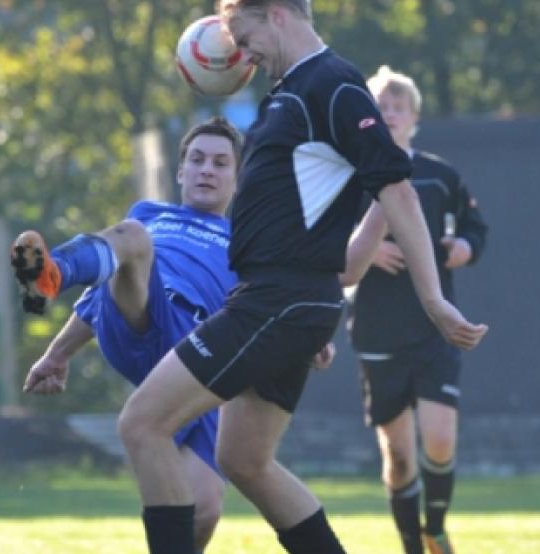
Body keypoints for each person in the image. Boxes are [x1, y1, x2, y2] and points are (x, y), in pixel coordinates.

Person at [114, 2, 489, 552]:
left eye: (244, 36)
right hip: (285, 304)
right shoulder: (291, 92)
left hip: (277, 301)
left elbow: (397, 188)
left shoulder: (332, 84)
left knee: (142, 423)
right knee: (243, 460)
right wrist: (308, 318)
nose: (242, 54)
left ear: (277, 15)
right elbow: (335, 233)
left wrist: (432, 299)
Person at [10, 117, 243, 552]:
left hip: (202, 359)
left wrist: (309, 340)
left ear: (236, 177)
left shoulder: (246, 239)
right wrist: (58, 353)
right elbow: (99, 298)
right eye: (196, 160)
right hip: (145, 318)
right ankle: (52, 273)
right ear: (180, 172)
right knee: (131, 238)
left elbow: (273, 297)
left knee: (204, 508)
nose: (206, 169)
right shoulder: (150, 215)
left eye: (219, 162)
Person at [344, 66, 489, 554]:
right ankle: (411, 544)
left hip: (433, 329)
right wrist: (367, 251)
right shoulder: (350, 173)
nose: (389, 113)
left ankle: (437, 528)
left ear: (414, 118)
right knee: (400, 456)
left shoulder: (440, 175)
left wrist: (462, 247)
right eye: (381, 105)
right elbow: (327, 239)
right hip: (378, 331)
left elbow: (475, 229)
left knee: (441, 439)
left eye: (398, 106)